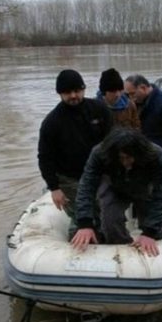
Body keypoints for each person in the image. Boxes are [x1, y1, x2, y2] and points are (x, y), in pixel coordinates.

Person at [71, 128, 162, 257]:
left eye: (129, 157)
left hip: (146, 187)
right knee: (109, 219)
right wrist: (84, 223)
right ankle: (121, 250)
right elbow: (86, 186)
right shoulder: (99, 153)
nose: (126, 162)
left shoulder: (158, 157)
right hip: (115, 185)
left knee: (153, 225)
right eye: (121, 158)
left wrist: (149, 232)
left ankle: (153, 247)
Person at [38, 69, 113, 231]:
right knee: (83, 218)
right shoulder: (51, 122)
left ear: (84, 89)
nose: (73, 95)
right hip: (70, 178)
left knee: (105, 214)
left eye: (77, 91)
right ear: (59, 93)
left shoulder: (99, 109)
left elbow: (113, 141)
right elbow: (45, 157)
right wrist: (54, 188)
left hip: (100, 173)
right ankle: (78, 246)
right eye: (67, 92)